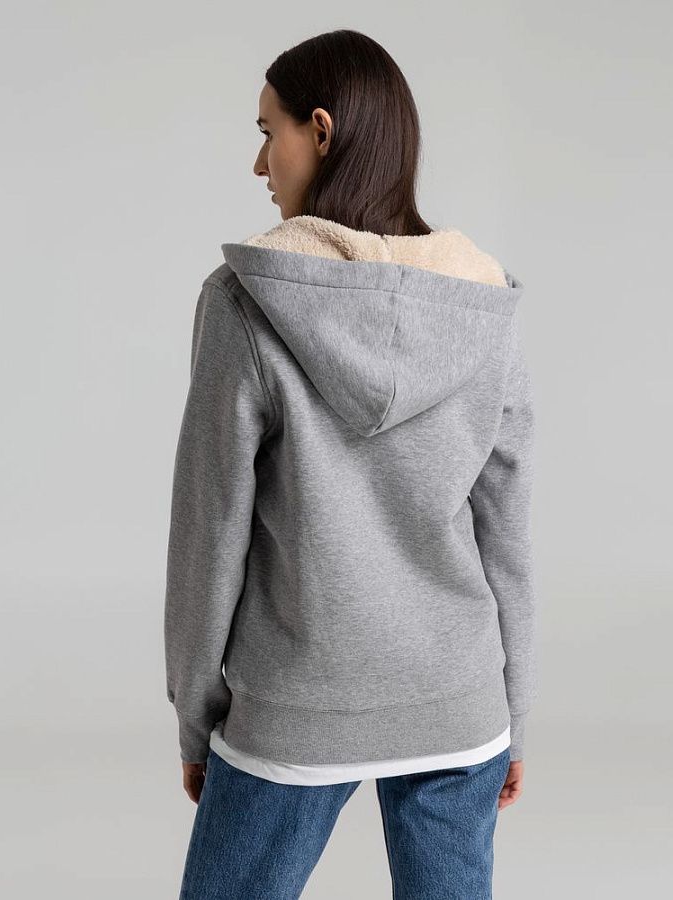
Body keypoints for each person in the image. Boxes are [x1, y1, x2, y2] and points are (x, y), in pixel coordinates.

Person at [164, 28, 539, 900]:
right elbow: (507, 534)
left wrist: (197, 716)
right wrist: (511, 711)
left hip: (296, 709)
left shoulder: (244, 304)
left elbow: (209, 531)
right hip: (458, 704)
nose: (260, 163)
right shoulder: (484, 303)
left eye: (269, 132)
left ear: (322, 130)